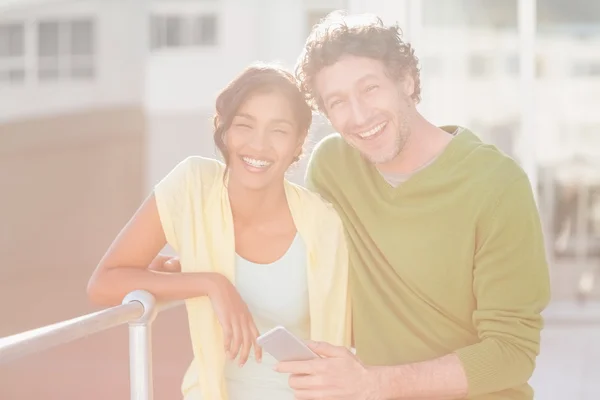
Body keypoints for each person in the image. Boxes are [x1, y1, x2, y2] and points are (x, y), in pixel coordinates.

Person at [273, 12, 552, 400]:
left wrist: (373, 383)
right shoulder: (333, 168)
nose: (359, 116)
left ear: (406, 79)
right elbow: (313, 274)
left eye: (370, 89)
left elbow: (512, 352)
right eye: (338, 101)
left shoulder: (498, 185)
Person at [86, 64, 351, 400]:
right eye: (244, 125)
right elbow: (104, 284)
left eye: (279, 131)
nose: (259, 144)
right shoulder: (193, 186)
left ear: (299, 142)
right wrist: (209, 283)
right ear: (223, 129)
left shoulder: (324, 224)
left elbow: (355, 331)